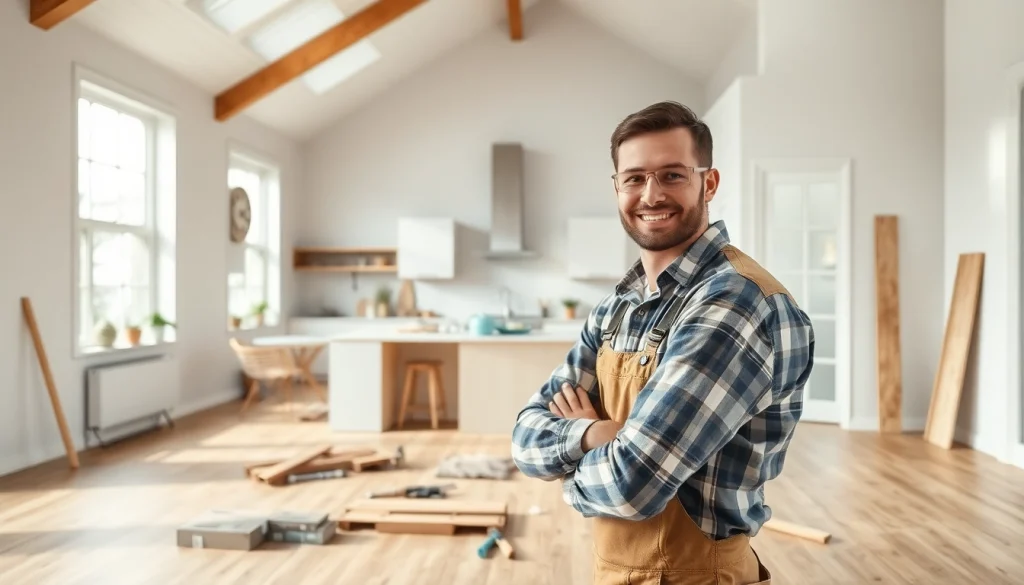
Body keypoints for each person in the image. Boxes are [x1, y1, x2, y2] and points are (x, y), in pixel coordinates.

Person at [510, 101, 814, 585]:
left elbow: (633, 486)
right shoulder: (619, 306)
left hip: (695, 575)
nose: (651, 195)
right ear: (617, 188)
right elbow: (524, 439)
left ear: (708, 183)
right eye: (634, 178)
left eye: (672, 175)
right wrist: (594, 435)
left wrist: (567, 465)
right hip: (614, 570)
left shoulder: (733, 303)